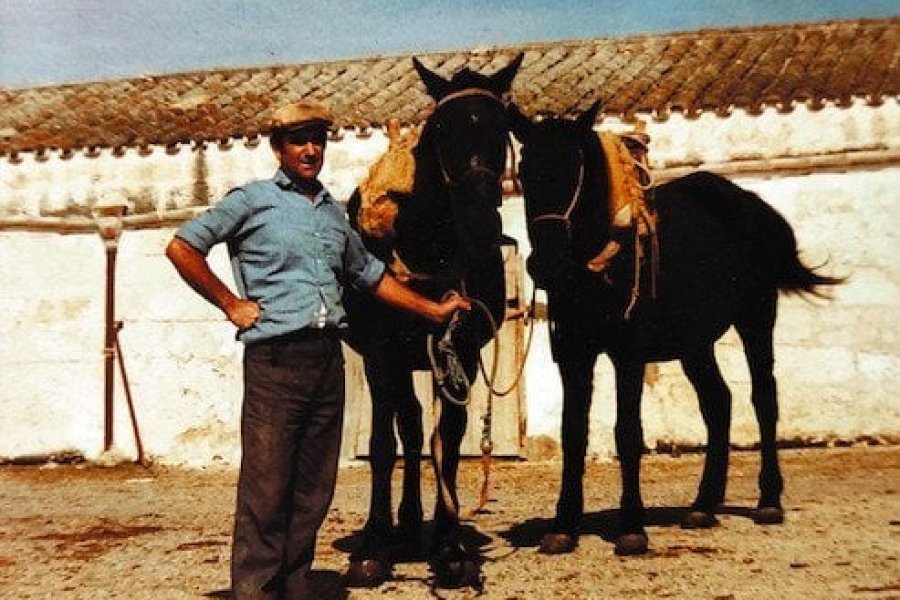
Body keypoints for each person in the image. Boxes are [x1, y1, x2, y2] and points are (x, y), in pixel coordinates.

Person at [165, 99, 469, 600]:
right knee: (266, 491)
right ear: (277, 148)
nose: (310, 150)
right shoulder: (252, 200)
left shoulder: (332, 212)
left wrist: (430, 311)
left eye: (317, 141)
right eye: (298, 141)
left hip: (327, 360)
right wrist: (230, 304)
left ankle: (294, 587)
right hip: (276, 362)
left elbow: (370, 276)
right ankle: (256, 592)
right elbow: (183, 246)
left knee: (312, 490)